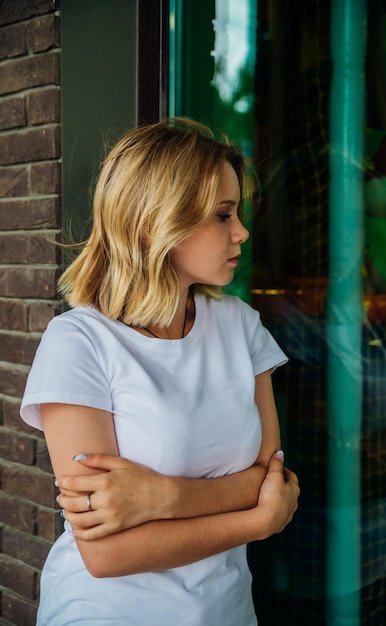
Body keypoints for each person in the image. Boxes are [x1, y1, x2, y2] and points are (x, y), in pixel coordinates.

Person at [20, 118, 300, 626]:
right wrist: (256, 522)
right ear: (157, 221)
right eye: (222, 215)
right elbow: (107, 555)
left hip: (230, 612)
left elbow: (271, 478)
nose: (242, 231)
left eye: (237, 212)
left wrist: (160, 496)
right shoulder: (79, 343)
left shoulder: (241, 326)